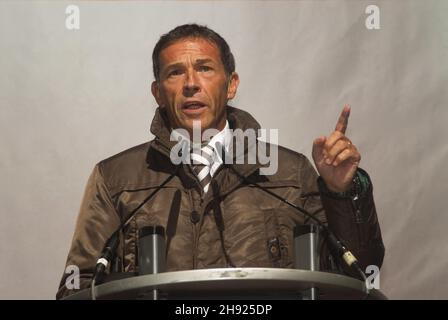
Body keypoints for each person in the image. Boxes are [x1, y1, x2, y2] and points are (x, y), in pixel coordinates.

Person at [56, 24, 384, 299]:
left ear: (231, 85)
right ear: (157, 92)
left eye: (204, 68)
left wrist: (341, 191)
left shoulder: (290, 172)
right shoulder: (116, 179)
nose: (190, 84)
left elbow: (358, 274)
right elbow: (78, 289)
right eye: (175, 73)